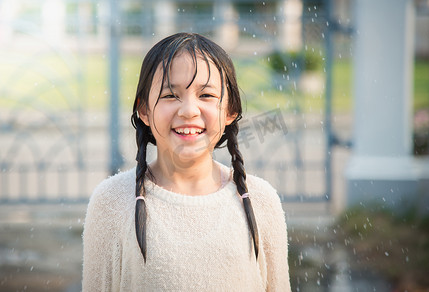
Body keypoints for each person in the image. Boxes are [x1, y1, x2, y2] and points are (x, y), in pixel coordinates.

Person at [82, 32, 291, 291]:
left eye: (206, 95)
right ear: (144, 110)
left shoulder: (261, 201)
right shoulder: (112, 202)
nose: (189, 110)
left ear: (230, 111)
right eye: (170, 95)